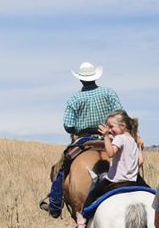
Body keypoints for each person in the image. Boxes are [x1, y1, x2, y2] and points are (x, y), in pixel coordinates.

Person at [42, 62, 124, 218]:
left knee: (63, 166)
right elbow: (121, 115)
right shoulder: (109, 93)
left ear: (80, 79)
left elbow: (68, 125)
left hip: (83, 139)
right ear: (96, 77)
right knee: (128, 160)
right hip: (109, 137)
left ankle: (55, 205)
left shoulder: (74, 99)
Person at [74, 109, 144, 228]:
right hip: (133, 181)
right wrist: (140, 148)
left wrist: (106, 136)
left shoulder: (119, 138)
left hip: (115, 180)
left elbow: (110, 153)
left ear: (123, 125)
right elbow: (140, 162)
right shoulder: (133, 141)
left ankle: (82, 221)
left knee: (92, 194)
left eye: (112, 127)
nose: (110, 130)